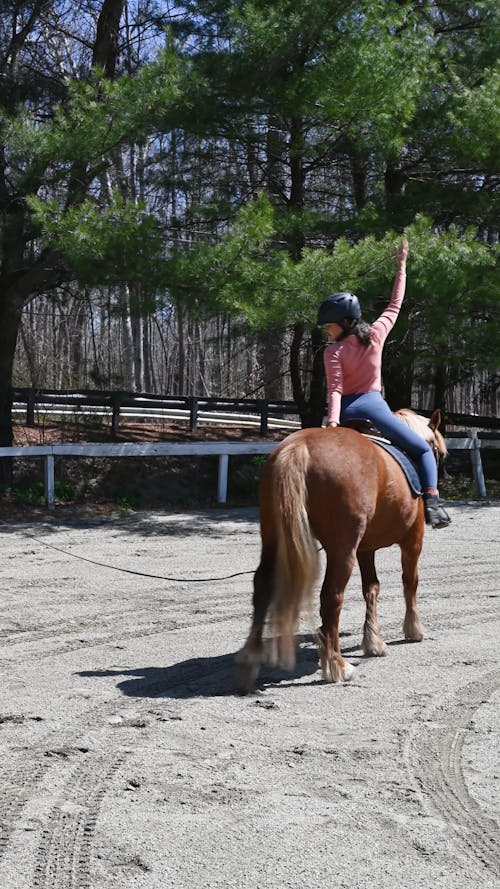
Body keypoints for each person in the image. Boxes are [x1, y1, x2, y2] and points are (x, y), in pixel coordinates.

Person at [317, 237, 451, 529]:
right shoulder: (376, 334)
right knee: (422, 449)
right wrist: (401, 265)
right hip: (371, 406)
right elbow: (395, 304)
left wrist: (332, 423)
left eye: (329, 325)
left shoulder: (333, 351)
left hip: (344, 410)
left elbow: (336, 389)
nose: (327, 331)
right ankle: (432, 502)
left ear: (345, 322)